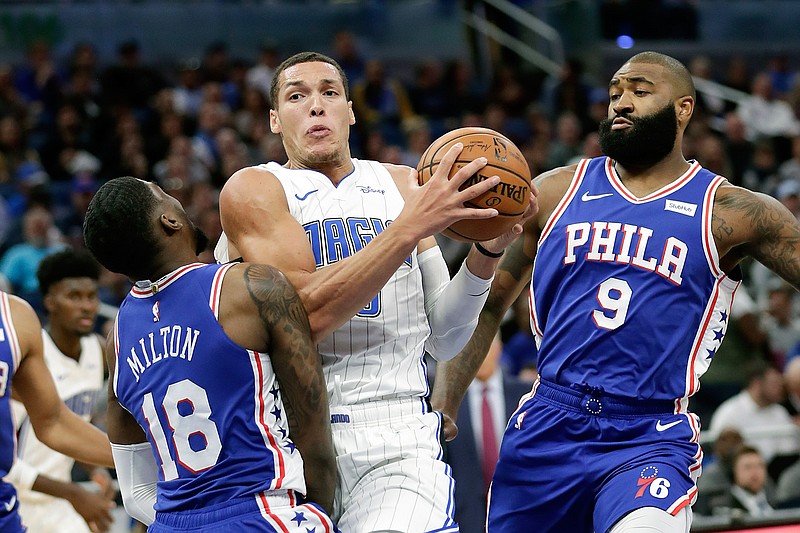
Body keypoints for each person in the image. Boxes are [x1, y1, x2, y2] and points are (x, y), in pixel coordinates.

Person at [431, 50, 800, 533]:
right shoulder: (556, 189)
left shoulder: (729, 209)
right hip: (549, 422)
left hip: (647, 433)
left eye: (640, 92)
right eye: (614, 94)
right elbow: (489, 303)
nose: (621, 103)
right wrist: (445, 403)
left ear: (684, 108)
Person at [215, 51, 531, 532]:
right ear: (275, 120)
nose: (316, 106)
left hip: (397, 434)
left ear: (351, 110)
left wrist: (485, 256)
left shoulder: (404, 185)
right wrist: (406, 230)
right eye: (297, 96)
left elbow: (444, 339)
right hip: (287, 442)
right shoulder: (257, 189)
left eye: (330, 92)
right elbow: (304, 317)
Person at [83, 176, 337, 532]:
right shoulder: (251, 287)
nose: (177, 202)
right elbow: (314, 439)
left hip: (172, 524)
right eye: (165, 195)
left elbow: (135, 491)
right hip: (263, 511)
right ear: (168, 221)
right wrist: (319, 513)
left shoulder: (117, 339)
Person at [6, 248, 115, 532]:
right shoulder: (24, 356)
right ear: (50, 301)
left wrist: (95, 468)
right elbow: (6, 459)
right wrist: (73, 493)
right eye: (74, 297)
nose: (87, 306)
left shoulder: (95, 351)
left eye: (92, 297)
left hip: (60, 500)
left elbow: (73, 424)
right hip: (20, 498)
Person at [444, 335, 530, 533]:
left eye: (485, 343)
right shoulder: (446, 404)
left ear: (499, 348)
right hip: (464, 519)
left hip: (520, 513)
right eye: (470, 346)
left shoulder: (525, 396)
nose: (478, 352)